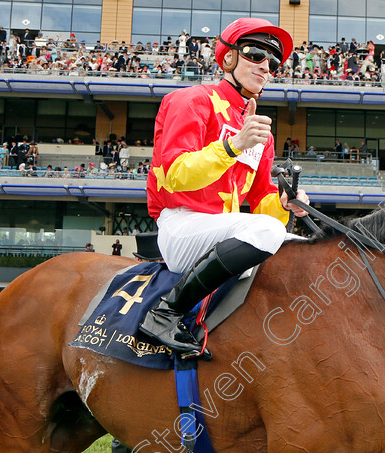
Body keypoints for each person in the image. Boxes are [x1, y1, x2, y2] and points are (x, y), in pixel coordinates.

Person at [141, 17, 308, 355]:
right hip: (181, 225)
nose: (265, 67)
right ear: (229, 56)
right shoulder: (189, 100)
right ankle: (165, 313)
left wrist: (286, 204)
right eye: (255, 54)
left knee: (304, 250)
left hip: (225, 232)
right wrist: (233, 145)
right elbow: (173, 174)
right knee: (265, 231)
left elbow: (262, 203)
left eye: (272, 62)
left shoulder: (261, 133)